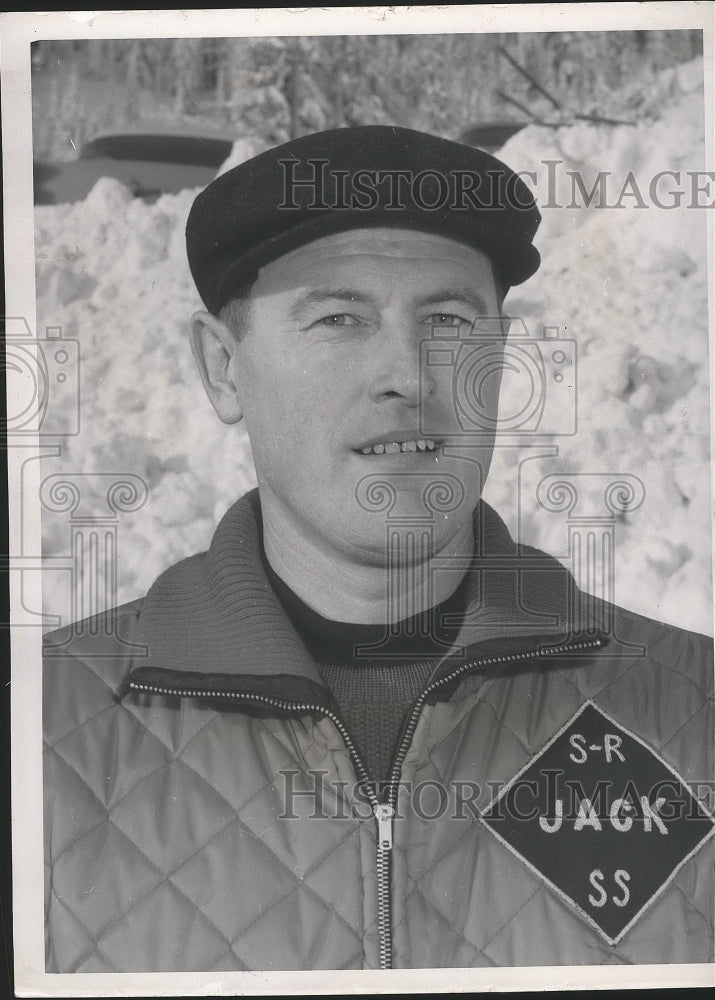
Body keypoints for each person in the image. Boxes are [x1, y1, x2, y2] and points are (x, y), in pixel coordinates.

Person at [43, 125, 714, 973]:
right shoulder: (39, 741)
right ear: (221, 369)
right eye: (337, 317)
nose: (407, 372)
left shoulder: (695, 715)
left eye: (446, 319)